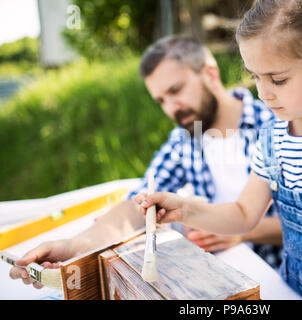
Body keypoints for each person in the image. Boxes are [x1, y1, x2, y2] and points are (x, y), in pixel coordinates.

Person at [134, 0, 302, 300]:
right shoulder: (272, 137)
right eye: (255, 76)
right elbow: (243, 214)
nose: (263, 93)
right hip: (290, 290)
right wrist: (184, 209)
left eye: (278, 79)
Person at [9, 36, 283, 289]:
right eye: (161, 100)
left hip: (279, 277)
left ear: (210, 73)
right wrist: (76, 245)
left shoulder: (275, 124)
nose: (172, 108)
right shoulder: (185, 139)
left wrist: (243, 232)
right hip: (223, 275)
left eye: (176, 90)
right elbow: (138, 204)